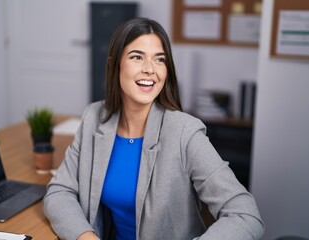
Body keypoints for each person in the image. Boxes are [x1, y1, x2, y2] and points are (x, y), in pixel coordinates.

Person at [43, 17, 264, 240]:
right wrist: (85, 237)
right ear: (114, 63)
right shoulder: (94, 117)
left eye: (159, 60)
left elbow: (244, 214)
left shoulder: (185, 132)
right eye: (137, 57)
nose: (150, 69)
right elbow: (59, 191)